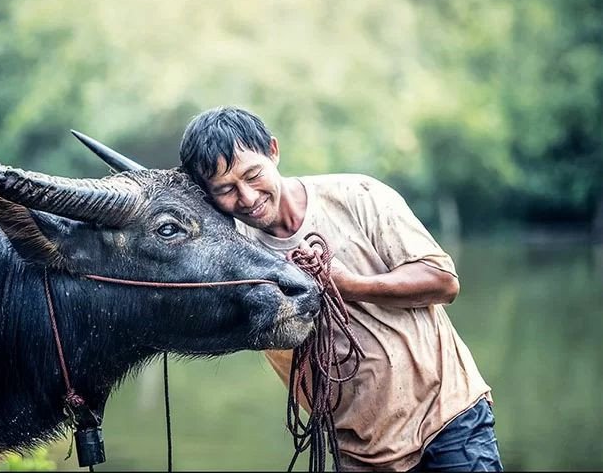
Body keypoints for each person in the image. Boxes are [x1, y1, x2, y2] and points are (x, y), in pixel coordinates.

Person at [178, 106, 503, 472]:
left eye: (253, 176)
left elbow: (443, 281)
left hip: (446, 418)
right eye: (226, 190)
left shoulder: (359, 195)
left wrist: (352, 286)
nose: (248, 198)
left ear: (273, 150)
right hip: (358, 448)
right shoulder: (236, 256)